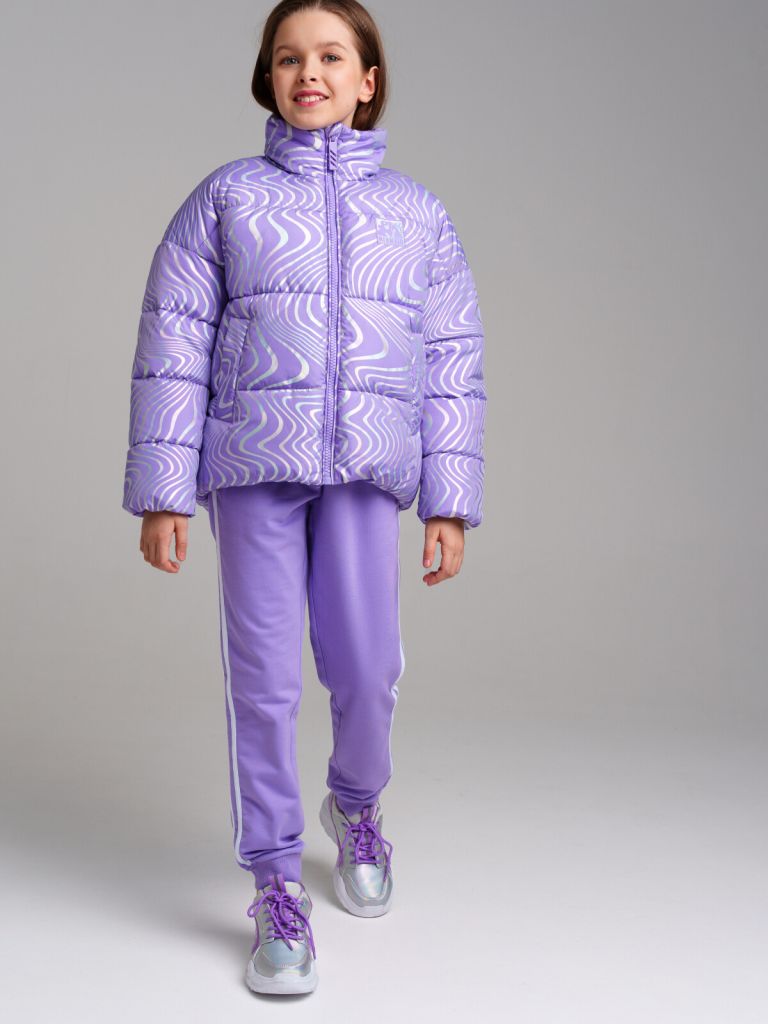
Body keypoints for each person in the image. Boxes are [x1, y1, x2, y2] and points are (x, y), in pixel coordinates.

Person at [121, 0, 486, 998]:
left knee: (367, 668)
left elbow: (452, 362)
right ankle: (276, 883)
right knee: (265, 681)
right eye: (288, 58)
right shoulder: (226, 201)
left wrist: (449, 499)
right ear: (268, 79)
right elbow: (173, 342)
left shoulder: (417, 215)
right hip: (253, 469)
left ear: (369, 80)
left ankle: (356, 806)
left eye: (331, 56)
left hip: (368, 471)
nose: (308, 73)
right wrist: (164, 491)